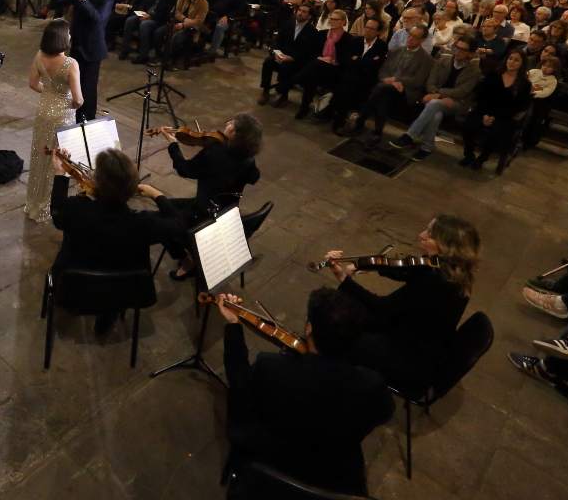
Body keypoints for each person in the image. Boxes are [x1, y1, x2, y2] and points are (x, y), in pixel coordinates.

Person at [218, 288, 393, 499]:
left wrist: (234, 326)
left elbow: (239, 384)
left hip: (269, 465)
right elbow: (383, 414)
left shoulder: (271, 367)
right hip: (335, 475)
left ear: (309, 328)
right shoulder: (372, 385)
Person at [324, 215, 479, 395]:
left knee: (338, 333)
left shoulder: (435, 282)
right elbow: (407, 271)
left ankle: (338, 387)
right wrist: (372, 265)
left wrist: (343, 279)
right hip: (424, 341)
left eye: (429, 235)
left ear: (445, 247)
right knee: (352, 315)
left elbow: (382, 308)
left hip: (409, 359)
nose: (421, 235)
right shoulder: (454, 270)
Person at [49, 148, 182, 334]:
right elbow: (177, 223)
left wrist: (60, 174)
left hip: (72, 288)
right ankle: (108, 315)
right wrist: (156, 195)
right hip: (125, 292)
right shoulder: (143, 223)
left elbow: (57, 213)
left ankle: (83, 306)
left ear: (97, 183)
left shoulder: (76, 210)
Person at [154, 115, 262, 280]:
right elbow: (254, 178)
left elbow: (184, 169)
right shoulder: (248, 158)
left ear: (233, 132)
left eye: (231, 122)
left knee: (161, 222)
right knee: (167, 204)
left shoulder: (215, 152)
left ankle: (188, 262)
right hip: (226, 212)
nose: (227, 123)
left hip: (204, 213)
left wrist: (173, 144)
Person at [25, 20, 83, 223]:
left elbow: (33, 84)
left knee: (40, 156)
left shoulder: (39, 56)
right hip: (62, 116)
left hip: (43, 111)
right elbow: (78, 100)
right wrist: (64, 100)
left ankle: (34, 202)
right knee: (59, 160)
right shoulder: (70, 63)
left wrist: (50, 93)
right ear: (62, 38)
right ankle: (51, 205)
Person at [389, 37, 482, 160]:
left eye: (463, 50)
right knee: (435, 111)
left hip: (458, 103)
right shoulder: (443, 60)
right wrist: (435, 94)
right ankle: (426, 147)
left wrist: (439, 95)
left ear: (471, 54)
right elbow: (431, 81)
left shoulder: (474, 71)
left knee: (434, 103)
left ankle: (410, 135)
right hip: (436, 100)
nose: (458, 51)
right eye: (457, 47)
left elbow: (462, 91)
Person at [54, 0, 113, 122]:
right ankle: (75, 115)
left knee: (88, 87)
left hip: (92, 50)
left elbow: (98, 19)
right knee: (75, 83)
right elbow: (59, 2)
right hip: (77, 45)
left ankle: (88, 119)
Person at [461, 48, 530, 174]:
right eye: (510, 58)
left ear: (521, 64)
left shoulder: (524, 84)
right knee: (468, 125)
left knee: (497, 132)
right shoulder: (493, 74)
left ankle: (482, 158)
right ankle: (468, 154)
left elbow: (519, 107)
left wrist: (494, 117)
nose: (512, 62)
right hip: (484, 111)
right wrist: (485, 115)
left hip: (504, 116)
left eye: (516, 60)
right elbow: (481, 96)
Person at [289, 9, 356, 119]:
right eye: (331, 19)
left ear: (343, 22)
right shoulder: (322, 34)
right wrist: (320, 58)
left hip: (335, 70)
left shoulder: (348, 39)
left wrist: (333, 60)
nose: (332, 21)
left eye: (335, 19)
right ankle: (304, 107)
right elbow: (313, 52)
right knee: (313, 74)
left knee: (315, 66)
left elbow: (346, 59)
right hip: (318, 67)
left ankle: (295, 80)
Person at [257, 2, 321, 107]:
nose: (300, 13)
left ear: (309, 16)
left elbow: (309, 52)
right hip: (281, 55)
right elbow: (277, 41)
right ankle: (265, 90)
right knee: (268, 61)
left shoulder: (312, 32)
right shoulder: (288, 24)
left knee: (286, 67)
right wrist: (276, 53)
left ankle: (283, 95)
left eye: (304, 12)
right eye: (299, 10)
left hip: (296, 61)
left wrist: (292, 58)